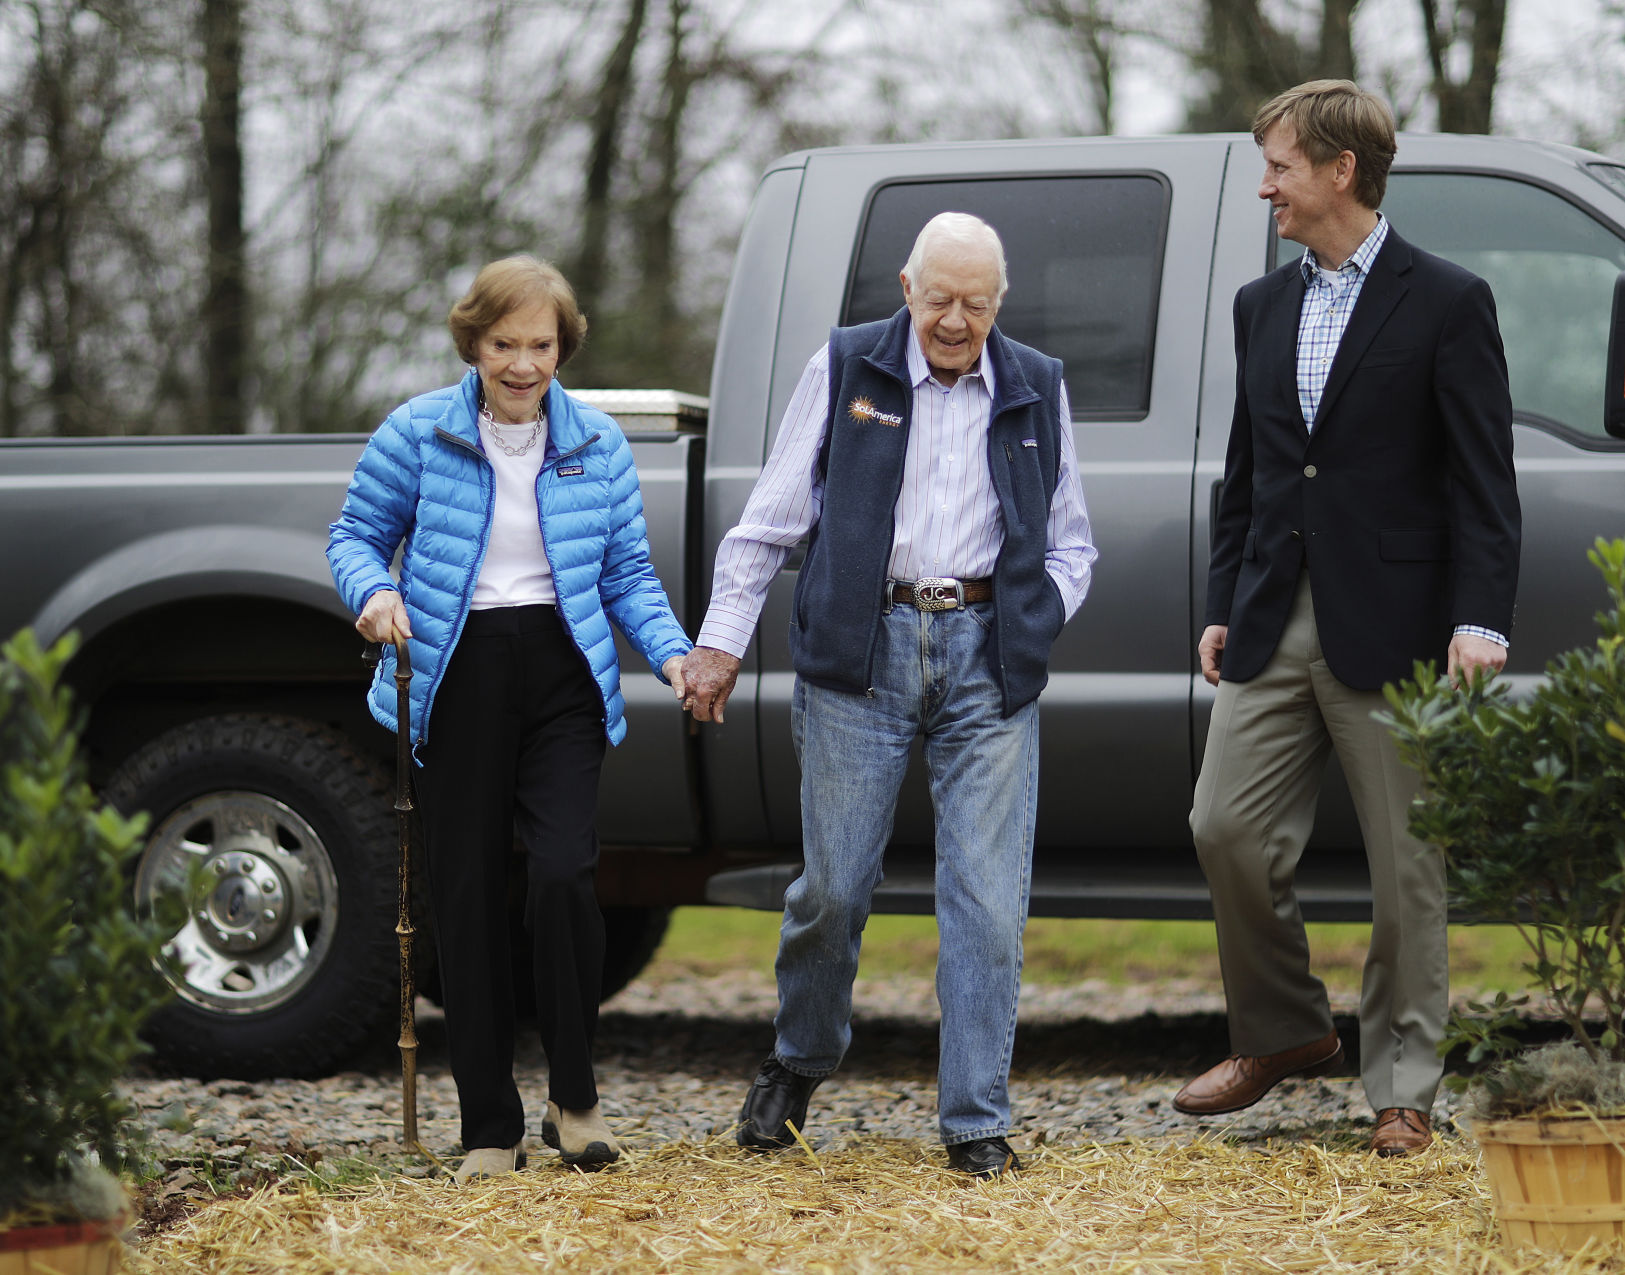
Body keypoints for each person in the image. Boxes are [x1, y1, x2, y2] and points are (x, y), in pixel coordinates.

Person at [681, 212, 1096, 1180]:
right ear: (907, 289)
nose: (954, 321)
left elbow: (1071, 541)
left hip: (987, 655)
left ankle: (975, 1119)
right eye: (939, 299)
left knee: (985, 900)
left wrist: (1032, 620)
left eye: (975, 305)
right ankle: (799, 1057)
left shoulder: (1037, 383)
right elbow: (770, 521)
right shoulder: (844, 367)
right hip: (860, 651)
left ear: (999, 302)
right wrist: (719, 643)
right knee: (831, 891)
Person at [1175, 81, 1521, 1157]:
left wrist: (1480, 620)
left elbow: (1483, 484)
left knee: (1407, 868)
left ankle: (1402, 1087)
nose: (1264, 186)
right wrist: (1223, 602)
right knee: (1222, 827)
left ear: (1339, 170)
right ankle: (1283, 1029)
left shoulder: (1449, 300)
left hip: (1400, 624)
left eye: (1278, 166)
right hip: (1271, 614)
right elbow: (1248, 476)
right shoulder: (1259, 305)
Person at [326, 255, 692, 1182]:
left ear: (562, 346)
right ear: (473, 343)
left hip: (564, 674)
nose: (523, 364)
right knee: (466, 895)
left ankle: (575, 1096)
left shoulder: (597, 442)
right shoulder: (419, 430)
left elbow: (626, 573)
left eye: (540, 344)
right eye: (503, 344)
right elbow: (355, 535)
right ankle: (490, 1124)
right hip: (457, 672)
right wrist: (373, 592)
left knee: (564, 872)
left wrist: (674, 652)